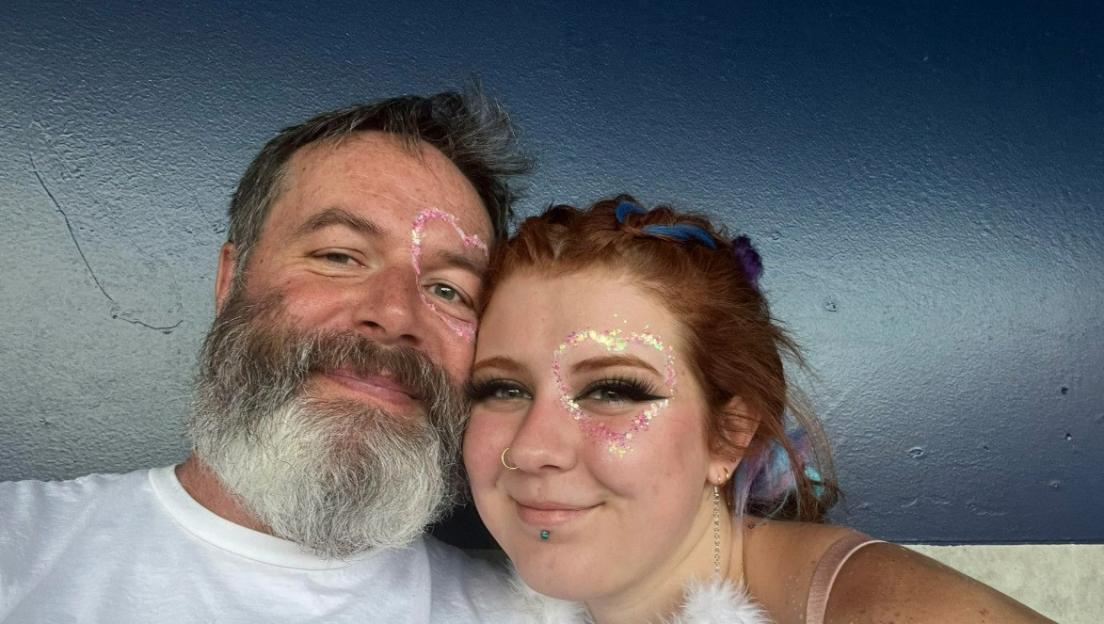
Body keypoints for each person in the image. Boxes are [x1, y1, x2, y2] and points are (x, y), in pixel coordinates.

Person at [0, 90, 529, 622]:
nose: (394, 315)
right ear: (230, 280)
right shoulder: (19, 545)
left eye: (448, 290)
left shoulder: (532, 613)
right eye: (339, 256)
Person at [463, 196, 1052, 623]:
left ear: (729, 434)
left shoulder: (888, 611)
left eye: (613, 390)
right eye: (502, 390)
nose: (532, 447)